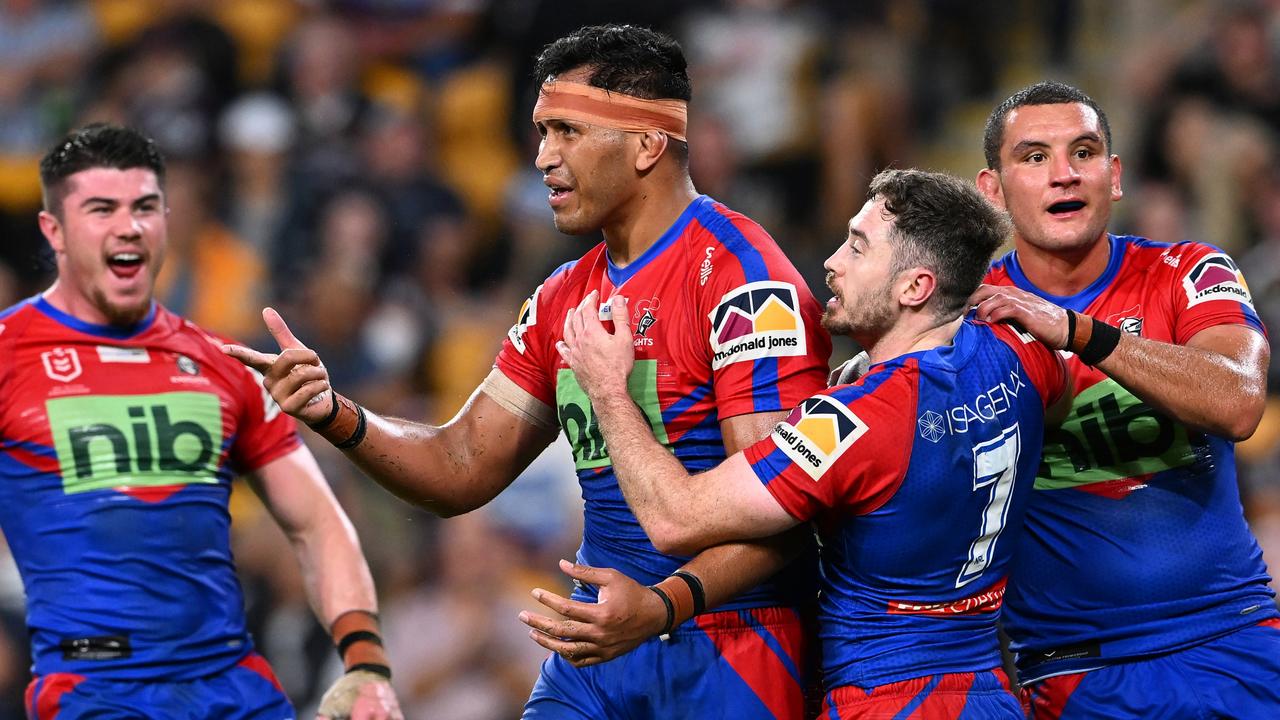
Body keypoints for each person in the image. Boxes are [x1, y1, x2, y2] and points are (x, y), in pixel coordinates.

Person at [225, 24, 832, 719]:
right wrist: (337, 413)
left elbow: (782, 513)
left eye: (567, 131)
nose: (542, 156)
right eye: (542, 132)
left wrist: (664, 605)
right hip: (598, 644)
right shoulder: (561, 296)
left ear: (648, 143)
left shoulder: (744, 283)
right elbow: (461, 465)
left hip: (730, 646)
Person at [555, 168, 1069, 718]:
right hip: (988, 695)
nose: (832, 262)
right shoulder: (1019, 350)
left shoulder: (852, 422)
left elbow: (676, 519)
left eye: (857, 247)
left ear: (915, 287)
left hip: (885, 701)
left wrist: (609, 390)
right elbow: (1056, 404)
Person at [0, 124, 402, 719]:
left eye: (144, 207)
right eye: (101, 209)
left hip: (234, 688)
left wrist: (366, 665)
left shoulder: (222, 362)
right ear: (53, 231)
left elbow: (317, 523)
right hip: (94, 691)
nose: (127, 226)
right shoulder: (8, 353)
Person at [970, 81, 1280, 718]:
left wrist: (1079, 333)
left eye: (1083, 153)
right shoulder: (967, 320)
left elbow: (1239, 400)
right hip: (1076, 666)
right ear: (993, 191)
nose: (1063, 175)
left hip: (1237, 637)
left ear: (1113, 177)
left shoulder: (1191, 271)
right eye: (1034, 158)